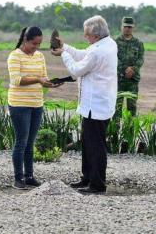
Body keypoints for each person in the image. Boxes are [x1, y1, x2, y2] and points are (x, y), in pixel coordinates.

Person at [51, 15, 117, 193]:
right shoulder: (108, 43)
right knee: (88, 144)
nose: (85, 37)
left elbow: (77, 69)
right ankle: (87, 178)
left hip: (95, 105)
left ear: (95, 35)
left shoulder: (98, 51)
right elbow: (84, 55)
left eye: (87, 34)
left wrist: (63, 54)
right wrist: (65, 47)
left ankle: (97, 184)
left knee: (95, 146)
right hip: (98, 103)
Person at [8, 26, 62, 189]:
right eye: (34, 44)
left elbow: (43, 78)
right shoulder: (14, 56)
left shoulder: (39, 56)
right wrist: (38, 80)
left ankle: (29, 176)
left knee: (30, 142)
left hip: (36, 104)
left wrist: (50, 83)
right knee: (21, 142)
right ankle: (18, 179)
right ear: (25, 40)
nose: (36, 47)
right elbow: (16, 80)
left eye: (39, 44)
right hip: (19, 105)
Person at [114, 17, 144, 118]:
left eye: (129, 27)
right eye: (125, 26)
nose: (127, 29)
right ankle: (115, 133)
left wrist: (133, 69)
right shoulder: (115, 43)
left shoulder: (138, 43)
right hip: (119, 79)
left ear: (133, 28)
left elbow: (140, 59)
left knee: (132, 108)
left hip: (133, 80)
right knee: (117, 108)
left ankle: (130, 133)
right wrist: (125, 69)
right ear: (121, 27)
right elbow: (114, 59)